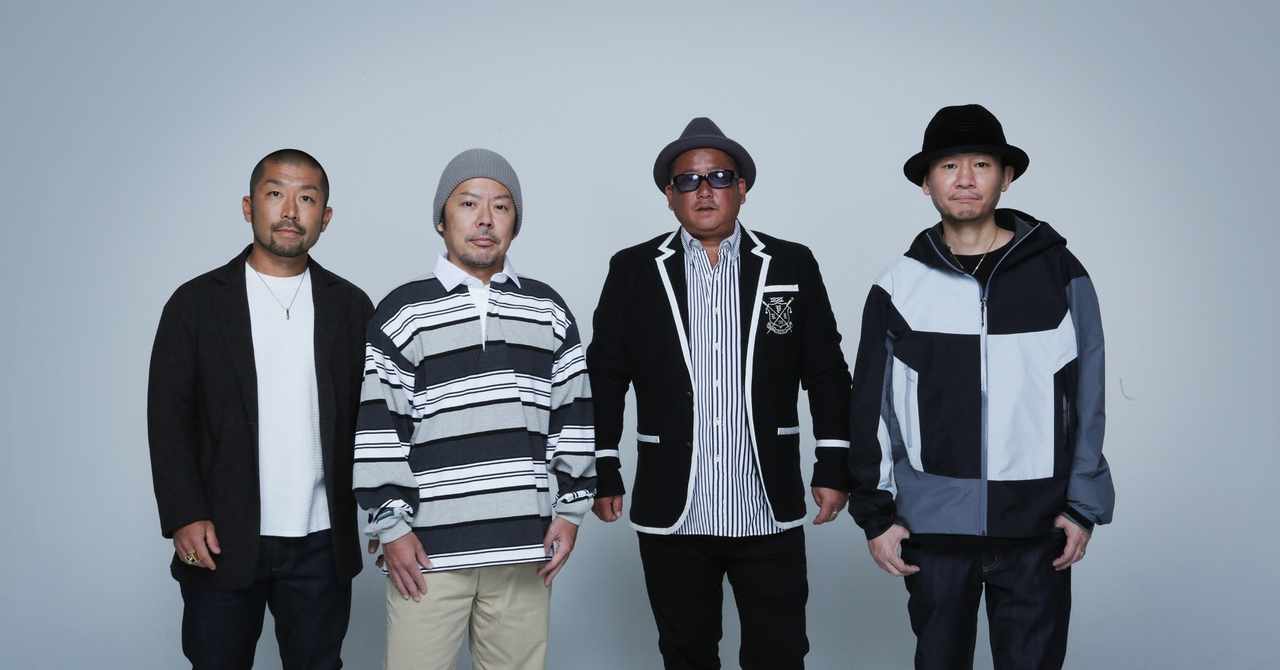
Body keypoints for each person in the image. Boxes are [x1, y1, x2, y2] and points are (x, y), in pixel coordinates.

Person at [847, 104, 1116, 669]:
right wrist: (877, 515)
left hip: (1037, 526)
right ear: (926, 183)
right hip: (931, 529)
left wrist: (1082, 507)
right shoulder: (899, 285)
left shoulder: (1060, 274)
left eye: (981, 164)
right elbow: (870, 407)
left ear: (1006, 177)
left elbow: (1088, 393)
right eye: (949, 166)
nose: (965, 178)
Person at [587, 118, 852, 670]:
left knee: (780, 655)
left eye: (719, 177)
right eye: (688, 180)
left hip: (767, 504)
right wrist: (604, 466)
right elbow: (606, 375)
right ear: (669, 195)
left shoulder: (791, 263)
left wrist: (833, 464)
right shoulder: (633, 269)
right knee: (686, 654)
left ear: (742, 188)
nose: (704, 190)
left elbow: (826, 371)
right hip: (673, 508)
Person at [354, 148, 596, 670]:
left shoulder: (548, 310)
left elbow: (573, 415)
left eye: (501, 207)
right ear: (442, 219)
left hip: (523, 548)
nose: (485, 219)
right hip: (427, 550)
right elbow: (379, 428)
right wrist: (391, 528)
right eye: (468, 203)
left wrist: (571, 510)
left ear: (515, 223)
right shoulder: (403, 311)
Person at [147, 148, 373, 668]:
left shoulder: (351, 307)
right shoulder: (196, 304)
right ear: (249, 206)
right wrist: (184, 515)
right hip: (221, 535)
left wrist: (388, 512)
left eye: (307, 199)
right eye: (275, 194)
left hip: (322, 540)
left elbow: (376, 419)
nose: (290, 211)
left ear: (325, 217)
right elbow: (168, 419)